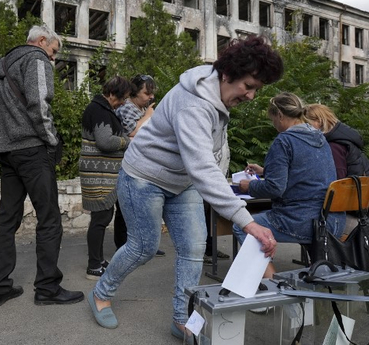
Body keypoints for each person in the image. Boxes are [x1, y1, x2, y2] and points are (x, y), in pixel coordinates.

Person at [87, 36, 283, 340]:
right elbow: (202, 166)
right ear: (228, 75)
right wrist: (248, 221)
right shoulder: (194, 104)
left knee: (193, 247)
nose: (252, 96)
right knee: (143, 247)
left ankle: (182, 319)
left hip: (182, 181)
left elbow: (212, 154)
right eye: (249, 86)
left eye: (257, 89)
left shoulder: (218, 95)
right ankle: (100, 293)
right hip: (144, 177)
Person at [0, 25, 84, 307]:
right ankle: (47, 288)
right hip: (31, 149)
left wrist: (0, 144)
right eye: (53, 51)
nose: (52, 58)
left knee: (7, 220)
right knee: (49, 218)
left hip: (6, 151)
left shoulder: (1, 66)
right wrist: (51, 140)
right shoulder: (36, 58)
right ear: (41, 41)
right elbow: (39, 104)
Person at [234, 93, 344, 279]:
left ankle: (271, 287)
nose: (273, 125)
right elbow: (304, 174)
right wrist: (265, 171)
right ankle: (317, 277)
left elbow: (274, 189)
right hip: (330, 219)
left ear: (279, 115)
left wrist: (249, 187)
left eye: (272, 119)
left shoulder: (284, 141)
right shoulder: (320, 138)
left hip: (300, 220)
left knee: (242, 226)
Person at [80, 76, 133, 280]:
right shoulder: (99, 110)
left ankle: (99, 260)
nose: (123, 103)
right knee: (100, 219)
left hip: (101, 173)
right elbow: (105, 141)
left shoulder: (101, 109)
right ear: (112, 94)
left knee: (102, 217)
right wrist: (127, 141)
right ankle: (94, 266)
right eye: (122, 98)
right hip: (98, 174)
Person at [305, 104, 369, 225]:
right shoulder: (344, 139)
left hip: (366, 214)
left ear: (318, 121)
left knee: (311, 225)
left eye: (306, 124)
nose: (304, 129)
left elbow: (337, 185)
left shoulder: (335, 146)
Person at [114, 74, 165, 257]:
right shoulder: (127, 107)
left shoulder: (140, 109)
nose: (150, 97)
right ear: (134, 92)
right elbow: (133, 133)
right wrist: (149, 117)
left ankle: (145, 245)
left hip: (143, 164)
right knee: (124, 208)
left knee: (143, 207)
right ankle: (122, 246)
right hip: (127, 165)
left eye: (152, 93)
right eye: (146, 93)